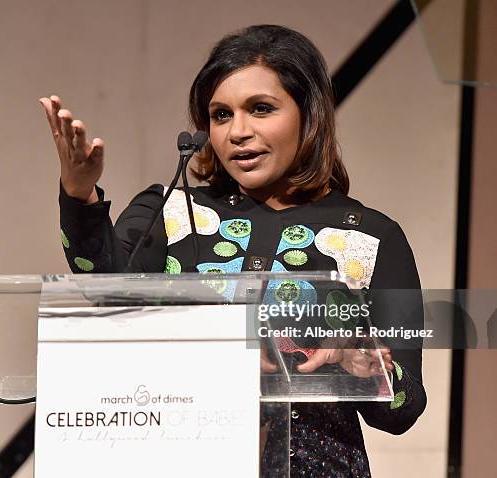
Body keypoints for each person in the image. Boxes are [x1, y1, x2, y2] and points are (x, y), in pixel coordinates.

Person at [40, 24, 426, 477]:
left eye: (261, 109)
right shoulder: (171, 212)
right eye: (220, 115)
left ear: (310, 115)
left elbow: (405, 406)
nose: (237, 131)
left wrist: (354, 362)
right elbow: (102, 288)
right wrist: (79, 194)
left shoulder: (372, 236)